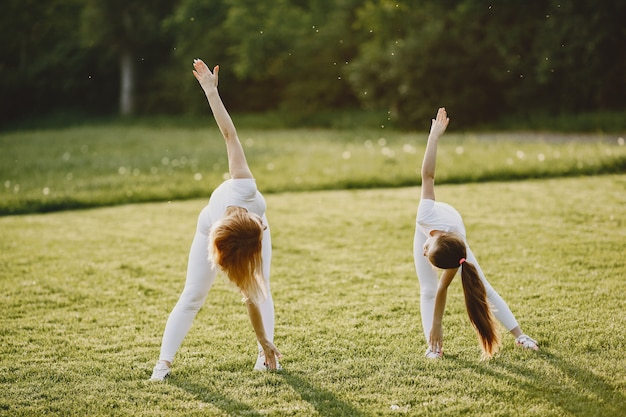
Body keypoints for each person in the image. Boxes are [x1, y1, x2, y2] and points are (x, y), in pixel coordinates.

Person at [150, 59, 282, 381]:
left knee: (261, 290)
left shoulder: (244, 187)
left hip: (232, 237)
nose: (265, 223)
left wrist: (211, 92)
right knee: (193, 294)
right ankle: (162, 366)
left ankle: (265, 357)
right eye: (261, 223)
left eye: (261, 225)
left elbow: (229, 134)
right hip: (209, 231)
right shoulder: (224, 240)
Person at [414, 107, 538, 360]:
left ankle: (521, 336)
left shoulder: (456, 253)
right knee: (427, 288)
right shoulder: (425, 215)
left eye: (426, 253)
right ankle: (433, 347)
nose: (423, 252)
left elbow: (443, 289)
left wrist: (440, 320)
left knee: (484, 287)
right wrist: (433, 137)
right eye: (428, 252)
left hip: (450, 239)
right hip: (426, 229)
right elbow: (428, 175)